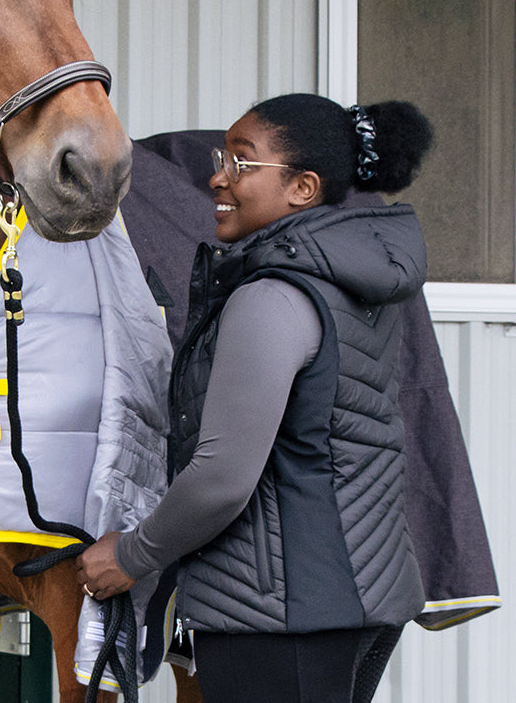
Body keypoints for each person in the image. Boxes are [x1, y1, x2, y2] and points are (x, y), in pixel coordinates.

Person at [76, 93, 435, 703]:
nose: (218, 176)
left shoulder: (272, 297)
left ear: (302, 187)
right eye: (223, 158)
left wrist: (131, 556)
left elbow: (221, 477)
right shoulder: (355, 283)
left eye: (242, 163)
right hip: (360, 598)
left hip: (280, 613)